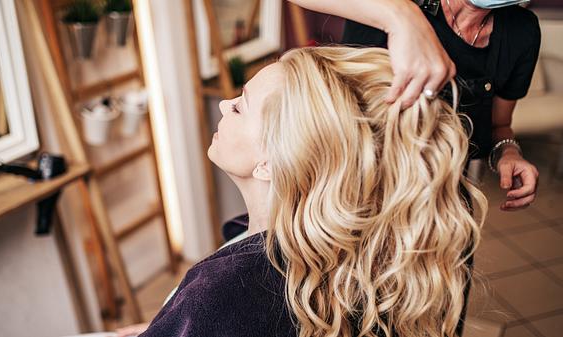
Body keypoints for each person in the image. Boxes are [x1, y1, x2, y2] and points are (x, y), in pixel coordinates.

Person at [135, 46, 487, 337]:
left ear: (270, 163)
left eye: (241, 106)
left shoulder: (218, 293)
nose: (226, 105)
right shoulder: (358, 257)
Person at [289, 0, 539, 212]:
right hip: (346, 198)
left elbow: (500, 125)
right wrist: (402, 16)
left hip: (439, 210)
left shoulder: (520, 32)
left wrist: (508, 152)